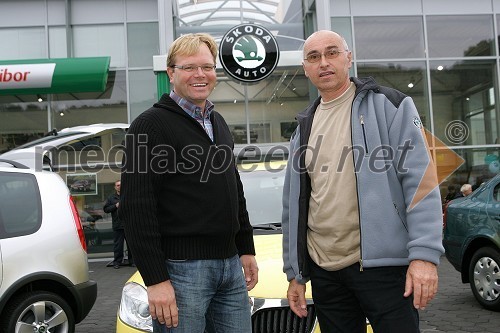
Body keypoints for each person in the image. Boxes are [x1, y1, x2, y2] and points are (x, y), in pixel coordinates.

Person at [282, 30, 445, 333]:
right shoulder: (302, 127)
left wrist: (424, 256)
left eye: (332, 53)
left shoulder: (389, 105)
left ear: (348, 57)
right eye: (314, 57)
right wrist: (295, 273)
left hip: (383, 268)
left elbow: (421, 183)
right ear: (305, 68)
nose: (324, 63)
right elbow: (293, 207)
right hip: (325, 272)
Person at [119, 33, 258, 333]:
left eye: (207, 67)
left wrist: (245, 247)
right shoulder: (149, 126)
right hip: (182, 271)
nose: (200, 75)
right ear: (171, 72)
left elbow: (234, 189)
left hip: (230, 266)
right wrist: (156, 280)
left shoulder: (217, 122)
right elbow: (136, 208)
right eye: (189, 67)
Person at [103, 180, 133, 269]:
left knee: (131, 245)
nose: (119, 186)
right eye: (117, 185)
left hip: (129, 225)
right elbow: (106, 209)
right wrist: (115, 206)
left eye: (121, 185)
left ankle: (132, 261)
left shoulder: (128, 196)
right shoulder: (111, 198)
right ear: (115, 187)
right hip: (117, 225)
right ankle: (117, 262)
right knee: (118, 246)